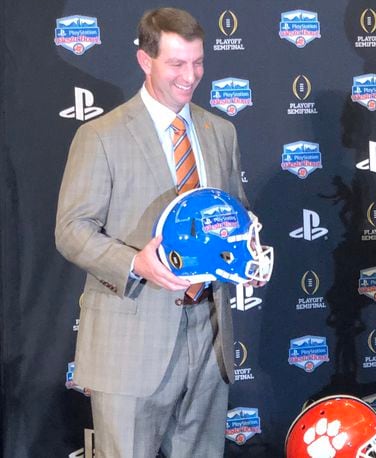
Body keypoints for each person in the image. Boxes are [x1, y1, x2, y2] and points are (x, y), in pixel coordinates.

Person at [55, 8, 261, 457]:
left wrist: (247, 256)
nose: (191, 76)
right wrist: (135, 263)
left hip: (209, 338)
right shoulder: (101, 136)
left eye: (198, 62)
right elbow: (71, 230)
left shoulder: (220, 131)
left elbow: (236, 214)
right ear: (145, 61)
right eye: (176, 64)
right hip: (130, 344)